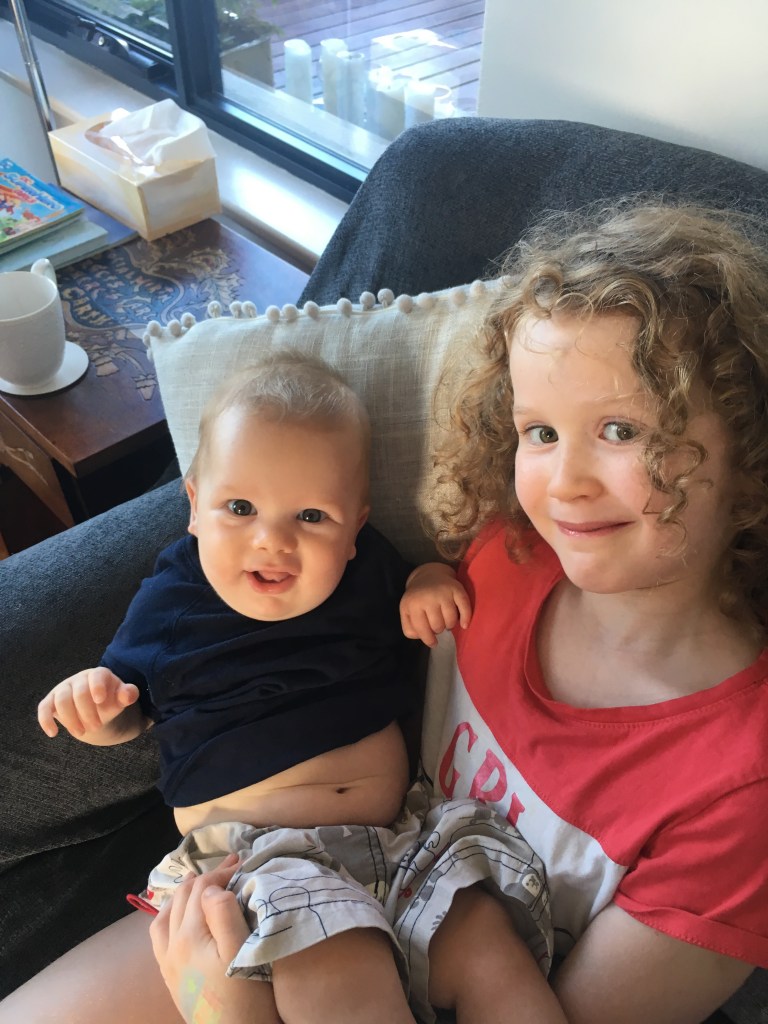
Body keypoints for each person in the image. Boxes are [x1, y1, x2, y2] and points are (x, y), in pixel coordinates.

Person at [163, 201, 767, 1024]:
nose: (565, 484)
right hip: (320, 886)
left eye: (623, 430)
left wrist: (227, 1014)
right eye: (540, 432)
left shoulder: (742, 786)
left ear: (751, 450)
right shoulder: (502, 561)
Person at [8, 351, 562, 1024]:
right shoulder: (173, 603)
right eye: (240, 508)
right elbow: (131, 709)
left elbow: (415, 585)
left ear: (355, 529)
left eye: (311, 517)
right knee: (332, 952)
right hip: (250, 868)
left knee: (487, 945)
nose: (272, 540)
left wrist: (428, 583)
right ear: (194, 507)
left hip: (398, 843)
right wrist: (98, 709)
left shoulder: (366, 574)